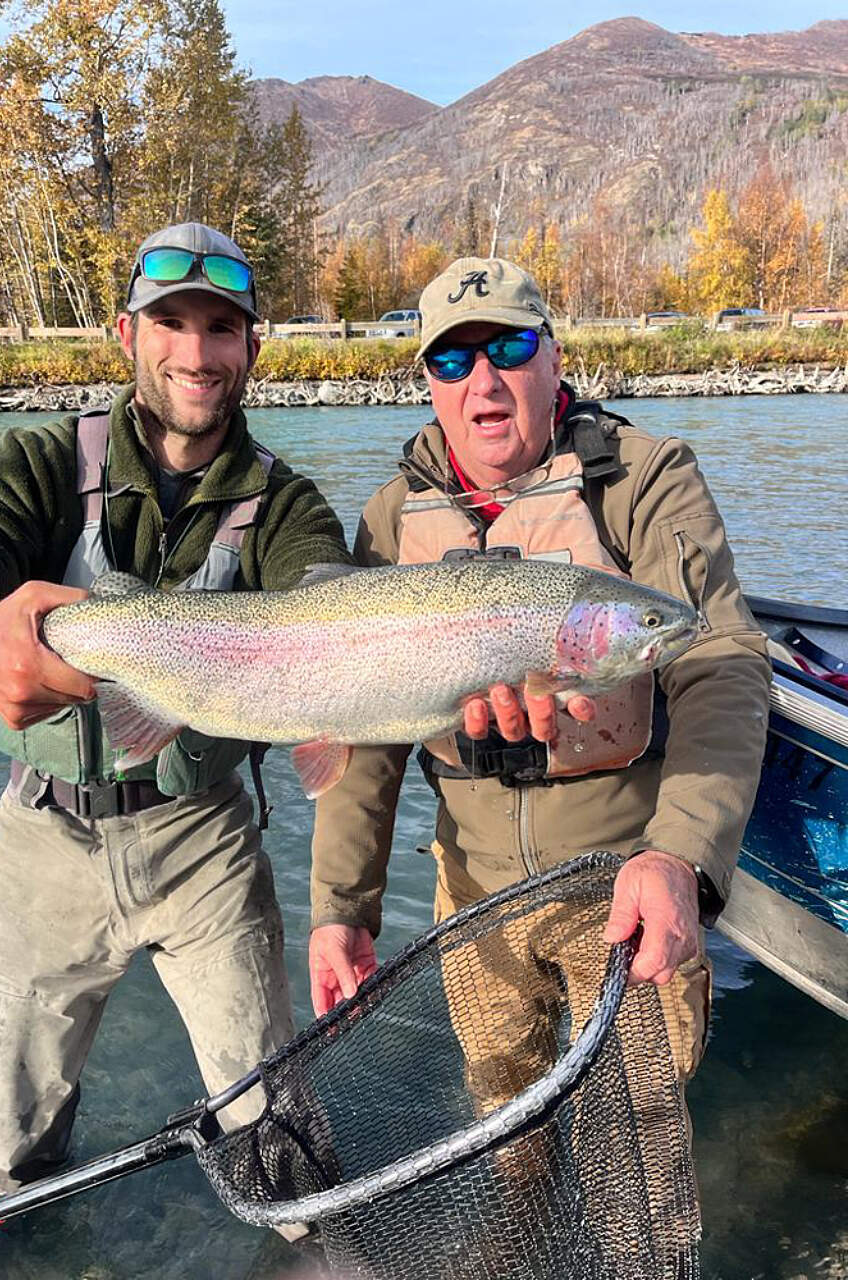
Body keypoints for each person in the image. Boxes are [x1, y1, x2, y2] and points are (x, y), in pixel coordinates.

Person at [0, 222, 354, 1202]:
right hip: (43, 838)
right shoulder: (39, 466)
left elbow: (329, 593)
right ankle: (24, 1238)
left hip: (207, 843)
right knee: (13, 1139)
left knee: (278, 1130)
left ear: (253, 347)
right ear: (124, 335)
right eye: (170, 323)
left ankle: (311, 1236)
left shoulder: (288, 504)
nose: (195, 352)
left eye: (221, 326)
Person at [308, 256, 771, 1110]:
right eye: (452, 361)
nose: (481, 378)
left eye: (509, 348)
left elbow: (722, 666)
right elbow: (361, 725)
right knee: (505, 1122)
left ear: (554, 359)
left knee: (636, 1155)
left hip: (624, 881)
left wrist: (681, 855)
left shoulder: (644, 478)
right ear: (430, 385)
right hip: (473, 891)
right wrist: (343, 907)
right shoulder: (388, 517)